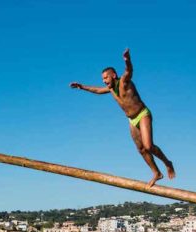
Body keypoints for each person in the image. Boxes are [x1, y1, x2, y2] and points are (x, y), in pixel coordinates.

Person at [70, 48, 175, 188]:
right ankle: (157, 173)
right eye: (102, 79)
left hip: (142, 115)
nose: (104, 81)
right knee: (141, 149)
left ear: (113, 75)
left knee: (148, 145)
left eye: (106, 78)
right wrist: (82, 86)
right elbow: (97, 90)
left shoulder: (124, 82)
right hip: (131, 120)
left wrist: (127, 61)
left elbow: (129, 71)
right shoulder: (110, 89)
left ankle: (168, 163)